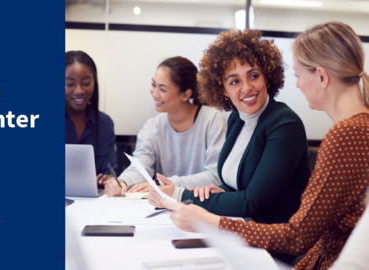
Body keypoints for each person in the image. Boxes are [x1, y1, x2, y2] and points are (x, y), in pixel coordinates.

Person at [157, 22, 369, 270]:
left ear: (321, 76)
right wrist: (217, 193)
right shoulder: (356, 129)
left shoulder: (346, 134)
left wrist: (209, 220)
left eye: (299, 75)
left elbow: (296, 236)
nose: (298, 84)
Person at [149, 29, 311, 264]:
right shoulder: (236, 119)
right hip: (240, 235)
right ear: (223, 89)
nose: (246, 87)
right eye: (234, 81)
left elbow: (253, 201)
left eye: (253, 75)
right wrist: (219, 189)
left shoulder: (284, 124)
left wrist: (180, 194)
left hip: (274, 249)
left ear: (267, 76)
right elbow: (239, 183)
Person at [104, 57, 227, 197]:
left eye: (162, 89)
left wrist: (162, 184)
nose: (154, 93)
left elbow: (214, 176)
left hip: (200, 204)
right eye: (153, 84)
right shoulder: (151, 127)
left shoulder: (213, 119)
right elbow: (140, 167)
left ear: (186, 94)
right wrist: (122, 182)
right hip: (162, 205)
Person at [66, 51, 116, 185]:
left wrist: (109, 179)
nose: (79, 91)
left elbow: (110, 171)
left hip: (94, 202)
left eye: (86, 83)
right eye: (70, 84)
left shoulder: (105, 124)